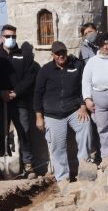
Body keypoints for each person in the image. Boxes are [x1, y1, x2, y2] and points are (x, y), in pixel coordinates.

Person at [34, 41, 91, 184]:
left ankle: (85, 167)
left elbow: (83, 87)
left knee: (85, 125)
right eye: (57, 53)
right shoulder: (45, 70)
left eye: (63, 52)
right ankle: (63, 178)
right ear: (52, 55)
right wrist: (39, 116)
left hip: (74, 110)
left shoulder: (77, 66)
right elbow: (38, 94)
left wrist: (83, 105)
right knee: (58, 146)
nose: (61, 56)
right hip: (53, 114)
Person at [0, 24, 38, 179]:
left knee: (24, 133)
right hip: (0, 103)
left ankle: (28, 165)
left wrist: (16, 92)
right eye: (7, 36)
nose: (10, 39)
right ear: (1, 37)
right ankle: (6, 165)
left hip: (20, 102)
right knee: (2, 134)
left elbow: (30, 77)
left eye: (13, 36)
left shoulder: (24, 56)